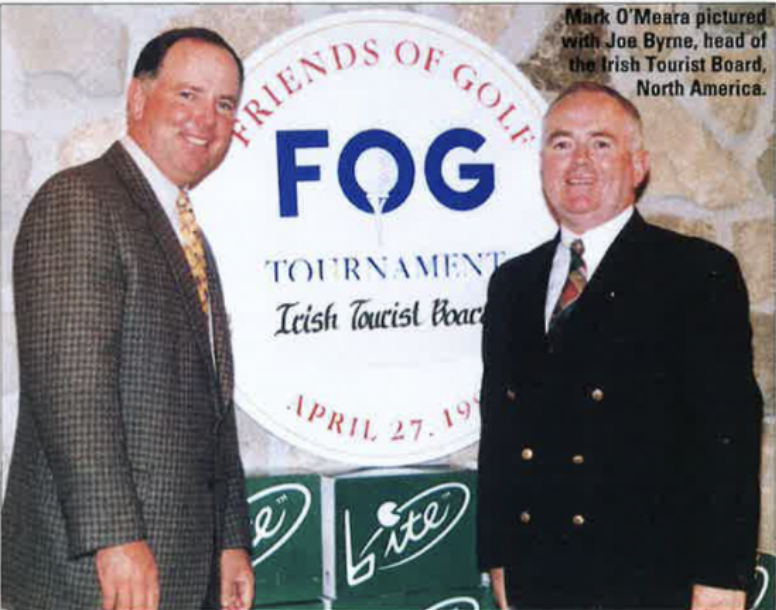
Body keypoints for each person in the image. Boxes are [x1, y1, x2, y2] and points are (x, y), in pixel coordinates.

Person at [476, 81, 762, 610]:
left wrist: (723, 579)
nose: (579, 161)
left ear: (639, 166)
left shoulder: (696, 273)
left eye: (601, 144)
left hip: (651, 578)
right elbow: (499, 433)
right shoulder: (513, 283)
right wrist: (497, 557)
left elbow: (729, 439)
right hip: (538, 577)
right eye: (562, 144)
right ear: (542, 164)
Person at [2, 28, 254, 610]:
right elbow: (73, 394)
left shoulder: (182, 227)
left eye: (224, 104)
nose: (207, 120)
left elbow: (212, 405)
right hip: (103, 575)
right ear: (137, 100)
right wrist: (115, 536)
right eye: (187, 95)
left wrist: (231, 537)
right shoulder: (79, 201)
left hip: (184, 564)